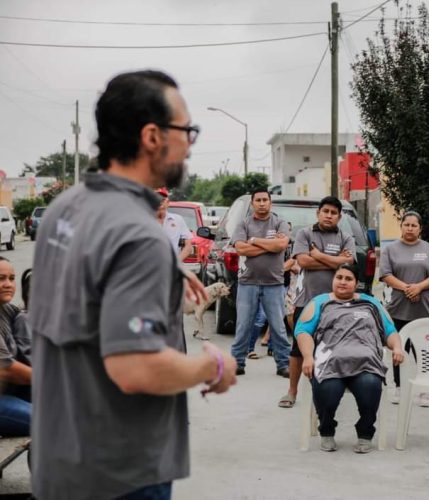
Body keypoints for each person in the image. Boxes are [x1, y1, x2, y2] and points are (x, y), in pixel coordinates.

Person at [29, 70, 237, 500]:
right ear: (152, 136)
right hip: (121, 475)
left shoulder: (63, 211)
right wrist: (213, 366)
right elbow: (137, 368)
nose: (189, 144)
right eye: (187, 130)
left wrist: (167, 271)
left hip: (60, 465)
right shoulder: (138, 236)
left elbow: (89, 287)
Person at [295, 264, 405, 453]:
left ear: (356, 283)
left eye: (348, 279)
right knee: (328, 391)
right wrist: (307, 357)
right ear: (333, 280)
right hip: (329, 362)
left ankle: (365, 432)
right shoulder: (320, 302)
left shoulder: (371, 303)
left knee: (370, 386)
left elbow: (389, 330)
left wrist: (397, 347)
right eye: (339, 277)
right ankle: (327, 430)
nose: (343, 282)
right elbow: (303, 331)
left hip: (366, 362)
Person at [280, 196, 354, 409]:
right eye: (326, 211)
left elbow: (347, 266)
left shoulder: (346, 237)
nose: (329, 215)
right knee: (298, 349)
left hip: (337, 302)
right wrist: (336, 260)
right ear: (318, 213)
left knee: (339, 346)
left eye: (333, 213)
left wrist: (318, 255)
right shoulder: (305, 233)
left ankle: (338, 387)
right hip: (308, 300)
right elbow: (302, 261)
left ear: (339, 217)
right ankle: (291, 391)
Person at [379, 210, 429, 406]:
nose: (410, 228)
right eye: (406, 224)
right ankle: (399, 387)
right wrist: (407, 288)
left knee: (424, 350)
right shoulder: (391, 249)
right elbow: (385, 275)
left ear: (420, 228)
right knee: (399, 349)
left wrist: (419, 287)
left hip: (423, 308)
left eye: (414, 225)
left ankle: (425, 389)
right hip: (398, 307)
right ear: (401, 227)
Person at [229, 188, 291, 376]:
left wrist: (254, 240)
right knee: (243, 325)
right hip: (247, 282)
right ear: (252, 203)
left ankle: (283, 364)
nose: (262, 203)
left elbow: (281, 245)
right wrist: (270, 246)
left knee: (278, 327)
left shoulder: (280, 223)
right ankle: (237, 363)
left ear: (270, 203)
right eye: (258, 200)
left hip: (274, 282)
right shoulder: (243, 224)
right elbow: (241, 249)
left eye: (265, 200)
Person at [0, 258, 31, 437]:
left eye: (11, 278)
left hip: (9, 392)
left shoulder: (7, 310)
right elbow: (7, 370)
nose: (8, 284)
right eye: (1, 278)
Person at [156, 186, 193, 262]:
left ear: (168, 203)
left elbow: (188, 247)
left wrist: (176, 263)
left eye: (163, 199)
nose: (160, 201)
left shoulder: (178, 220)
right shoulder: (144, 219)